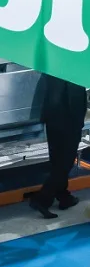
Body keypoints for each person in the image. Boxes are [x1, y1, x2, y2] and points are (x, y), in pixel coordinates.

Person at [31, 73, 86, 218]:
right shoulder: (76, 67)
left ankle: (63, 196)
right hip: (69, 117)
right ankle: (42, 199)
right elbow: (74, 98)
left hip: (52, 116)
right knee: (65, 162)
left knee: (57, 159)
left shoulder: (54, 65)